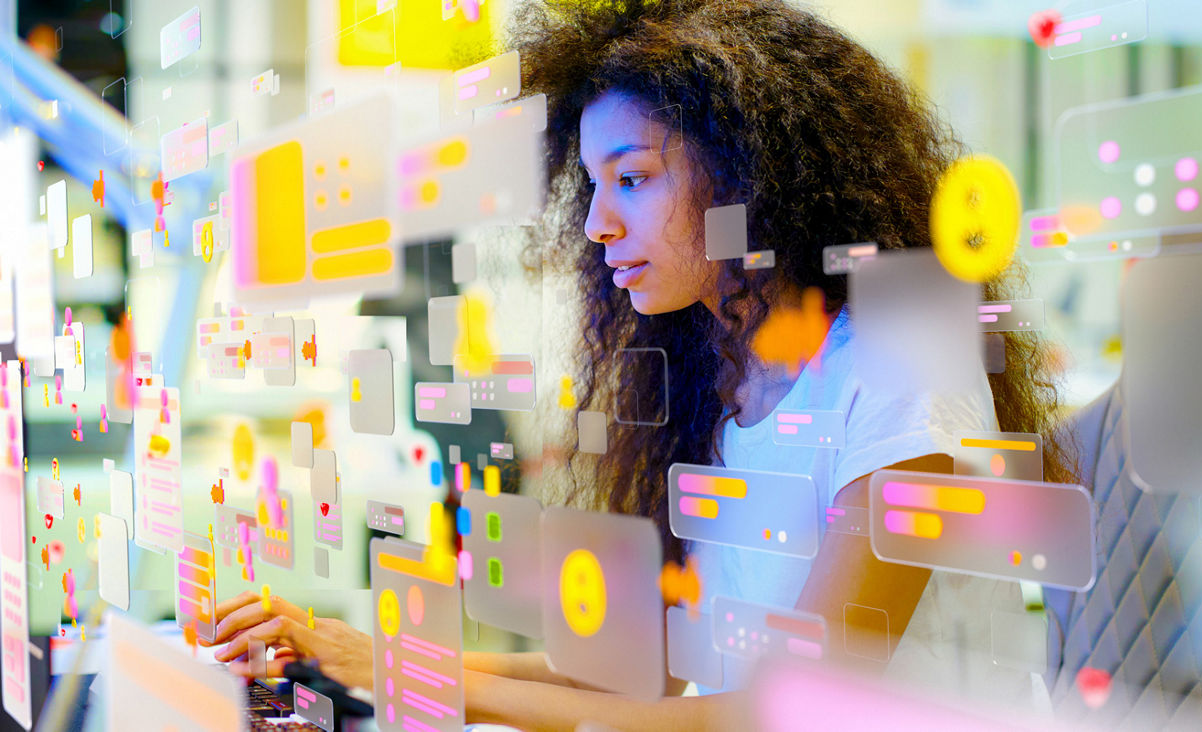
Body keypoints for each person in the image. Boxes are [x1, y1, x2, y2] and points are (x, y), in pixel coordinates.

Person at [207, 0, 1072, 726]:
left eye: (634, 178)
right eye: (592, 186)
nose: (597, 226)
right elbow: (633, 674)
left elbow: (777, 709)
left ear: (747, 173)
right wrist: (357, 654)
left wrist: (394, 670)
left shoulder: (900, 358)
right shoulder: (715, 380)